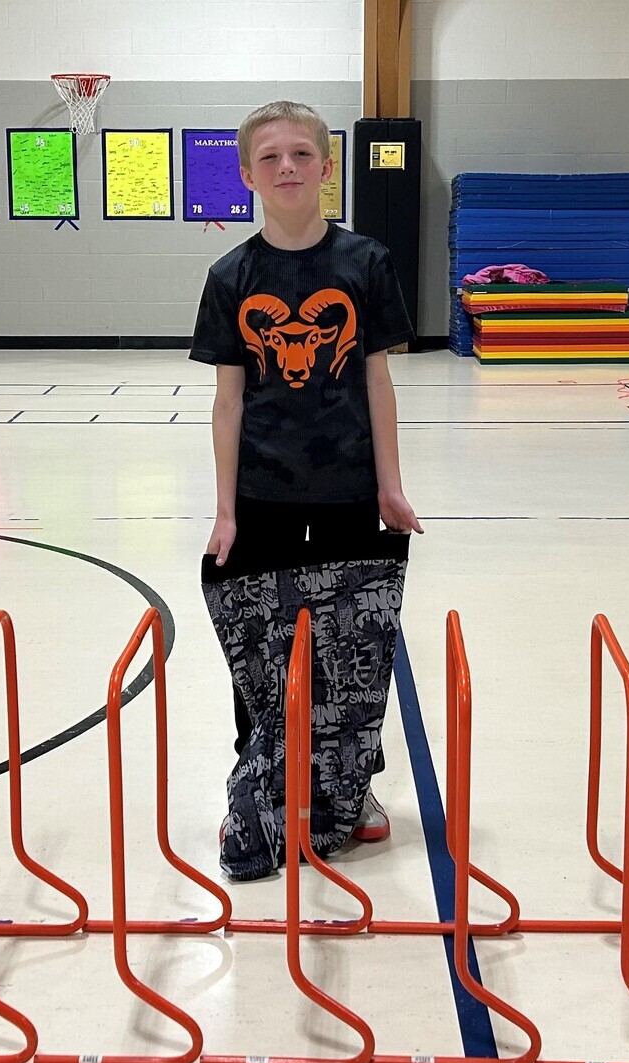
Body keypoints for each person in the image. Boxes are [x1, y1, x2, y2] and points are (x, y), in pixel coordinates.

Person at [190, 100, 420, 881]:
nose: (286, 168)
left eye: (300, 154)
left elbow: (378, 381)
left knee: (355, 644)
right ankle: (257, 781)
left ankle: (351, 789)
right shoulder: (231, 275)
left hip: (349, 488)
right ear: (248, 175)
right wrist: (225, 510)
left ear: (327, 168)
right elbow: (227, 401)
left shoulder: (365, 264)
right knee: (260, 646)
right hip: (264, 491)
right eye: (269, 158)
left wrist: (389, 486)